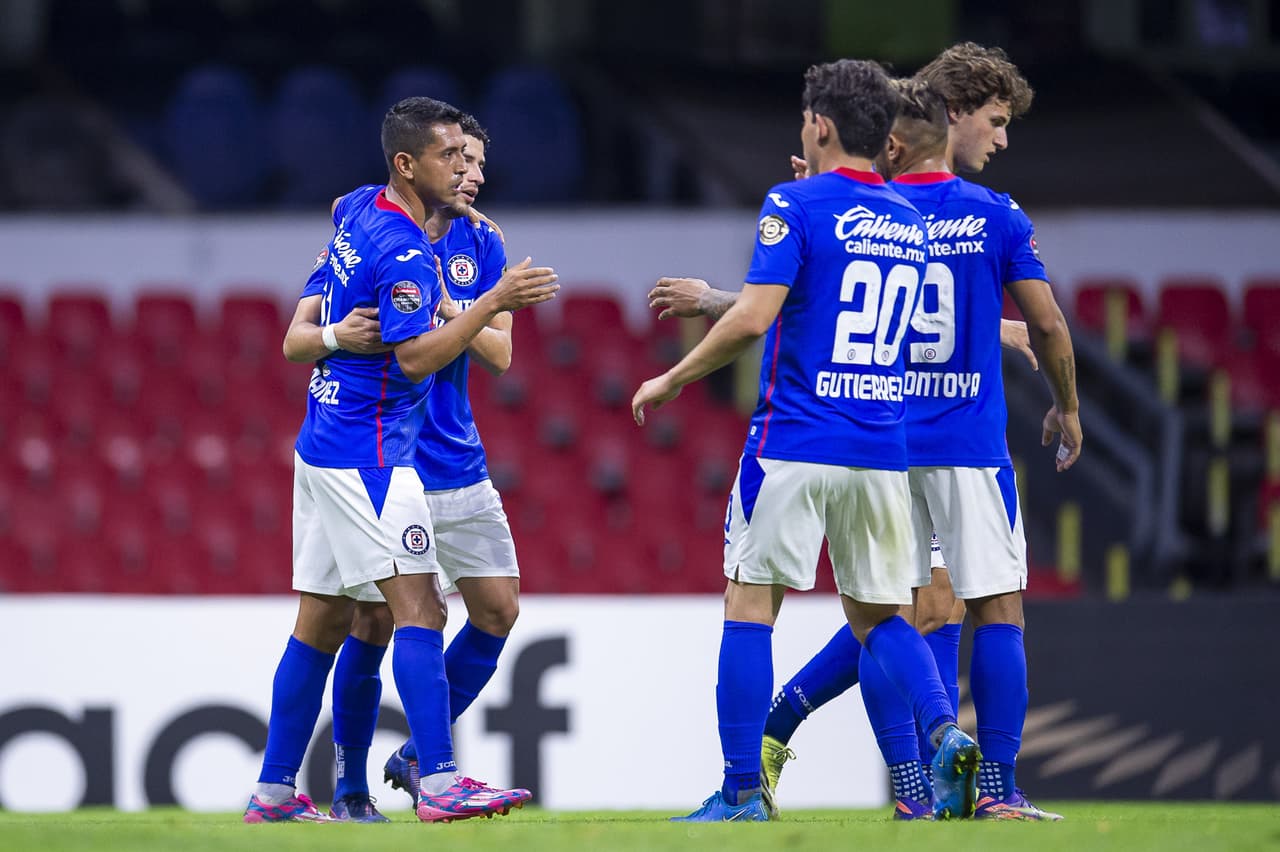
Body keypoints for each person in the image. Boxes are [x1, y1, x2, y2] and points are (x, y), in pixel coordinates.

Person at [632, 58, 981, 823]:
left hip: (794, 440)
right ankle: (944, 728)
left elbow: (757, 317)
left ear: (819, 125)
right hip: (883, 451)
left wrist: (674, 378)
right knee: (881, 617)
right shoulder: (910, 222)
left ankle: (740, 792)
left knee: (751, 604)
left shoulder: (792, 204)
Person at [243, 96, 558, 825]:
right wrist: (490, 301)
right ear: (409, 163)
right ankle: (437, 780)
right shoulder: (407, 248)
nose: (468, 170)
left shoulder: (364, 213)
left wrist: (338, 333)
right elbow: (414, 358)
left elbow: (339, 224)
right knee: (414, 609)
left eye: (473, 158)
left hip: (331, 442)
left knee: (319, 620)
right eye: (453, 157)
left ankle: (274, 790)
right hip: (374, 451)